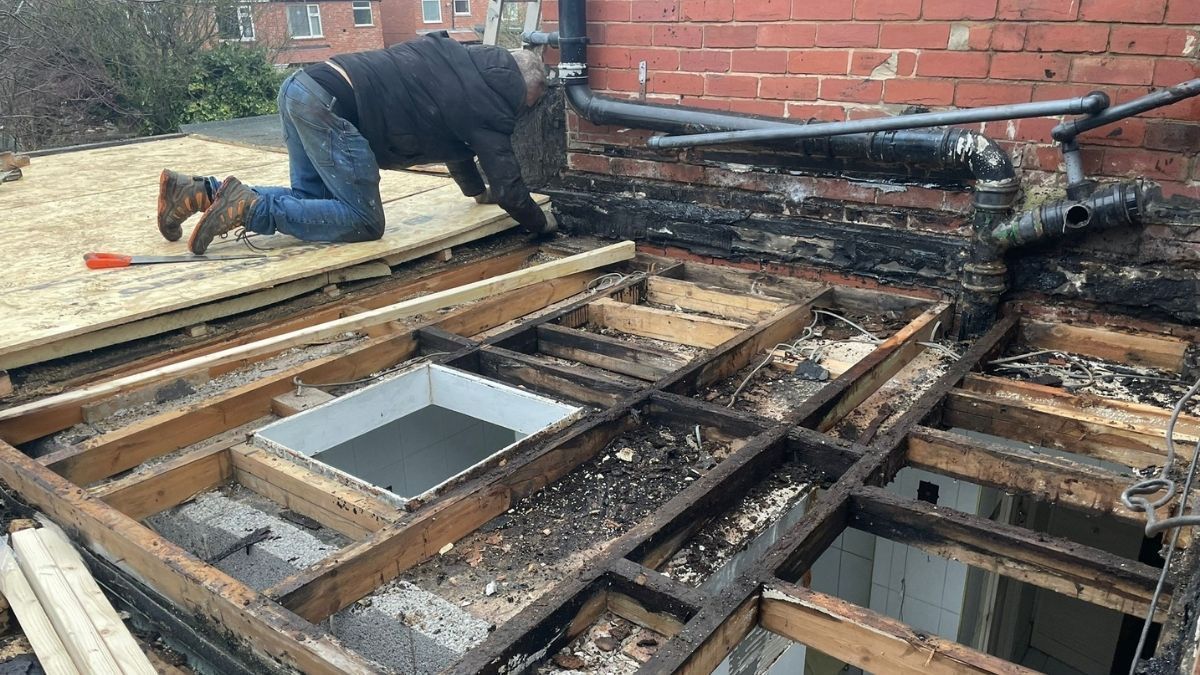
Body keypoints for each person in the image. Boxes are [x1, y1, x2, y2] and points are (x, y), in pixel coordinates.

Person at [157, 32, 552, 255]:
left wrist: (474, 192)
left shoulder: (462, 63)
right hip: (332, 107)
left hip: (302, 87)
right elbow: (511, 191)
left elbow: (458, 144)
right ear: (524, 91)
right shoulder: (493, 106)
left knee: (311, 204)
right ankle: (248, 208)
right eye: (529, 105)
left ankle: (197, 192)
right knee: (363, 222)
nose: (524, 114)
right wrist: (544, 226)